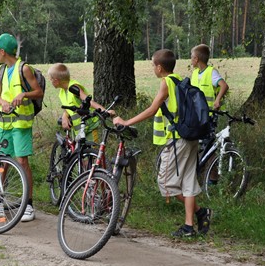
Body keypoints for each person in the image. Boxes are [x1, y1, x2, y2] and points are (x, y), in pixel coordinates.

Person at [112, 49, 212, 237]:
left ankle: (199, 212)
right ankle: (190, 226)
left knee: (165, 183)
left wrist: (126, 122)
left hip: (177, 141)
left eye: (152, 65)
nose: (152, 68)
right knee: (188, 181)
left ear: (159, 67)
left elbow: (152, 109)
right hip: (190, 138)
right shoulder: (178, 80)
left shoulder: (166, 83)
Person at [0, 33, 43, 222]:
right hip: (4, 123)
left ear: (3, 51)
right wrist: (2, 102)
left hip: (20, 124)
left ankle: (28, 204)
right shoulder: (1, 70)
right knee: (2, 163)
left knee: (22, 162)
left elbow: (39, 92)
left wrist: (24, 95)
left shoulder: (24, 69)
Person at [48, 63, 104, 143]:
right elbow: (69, 106)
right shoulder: (62, 92)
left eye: (51, 79)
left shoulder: (74, 88)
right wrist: (65, 116)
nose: (50, 81)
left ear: (56, 81)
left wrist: (104, 111)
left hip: (89, 127)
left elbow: (89, 102)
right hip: (79, 130)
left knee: (92, 153)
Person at [190, 44, 229, 111]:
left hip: (210, 113)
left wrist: (217, 100)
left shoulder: (211, 72)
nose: (190, 60)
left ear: (196, 59)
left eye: (191, 57)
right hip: (197, 113)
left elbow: (224, 86)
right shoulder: (195, 73)